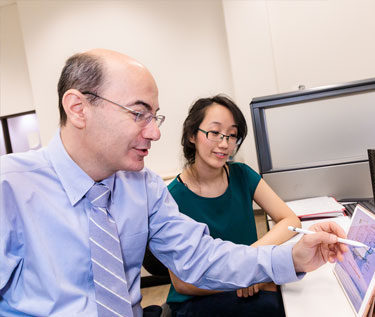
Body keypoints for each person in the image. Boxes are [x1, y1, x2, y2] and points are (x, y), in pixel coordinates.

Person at [0, 49, 348, 317]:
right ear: (78, 108)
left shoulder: (142, 186)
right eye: (139, 114)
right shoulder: (10, 189)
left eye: (155, 116)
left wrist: (292, 257)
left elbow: (200, 258)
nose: (155, 132)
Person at [166, 95, 301, 316]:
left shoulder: (242, 174)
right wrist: (239, 275)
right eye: (215, 133)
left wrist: (245, 265)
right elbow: (182, 283)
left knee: (291, 301)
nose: (224, 143)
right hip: (198, 297)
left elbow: (290, 220)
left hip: (246, 285)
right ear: (192, 135)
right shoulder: (172, 198)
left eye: (232, 135)